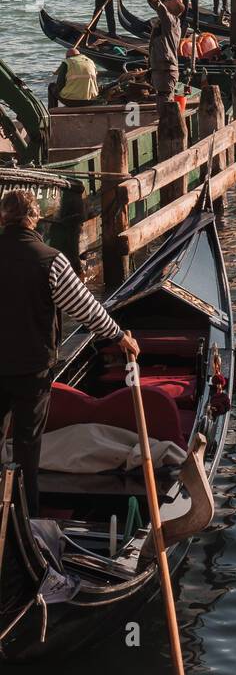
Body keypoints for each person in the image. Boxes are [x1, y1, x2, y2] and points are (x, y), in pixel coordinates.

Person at [0, 188, 140, 515]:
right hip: (31, 371)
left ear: (3, 218)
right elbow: (86, 309)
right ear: (34, 218)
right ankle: (26, 519)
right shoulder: (51, 260)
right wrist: (119, 336)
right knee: (26, 449)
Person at [145, 0, 183, 102]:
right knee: (163, 103)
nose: (167, 1)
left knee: (165, 104)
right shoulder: (169, 21)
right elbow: (157, 6)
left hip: (166, 71)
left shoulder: (170, 21)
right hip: (162, 69)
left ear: (172, 9)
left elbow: (160, 8)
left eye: (170, 1)